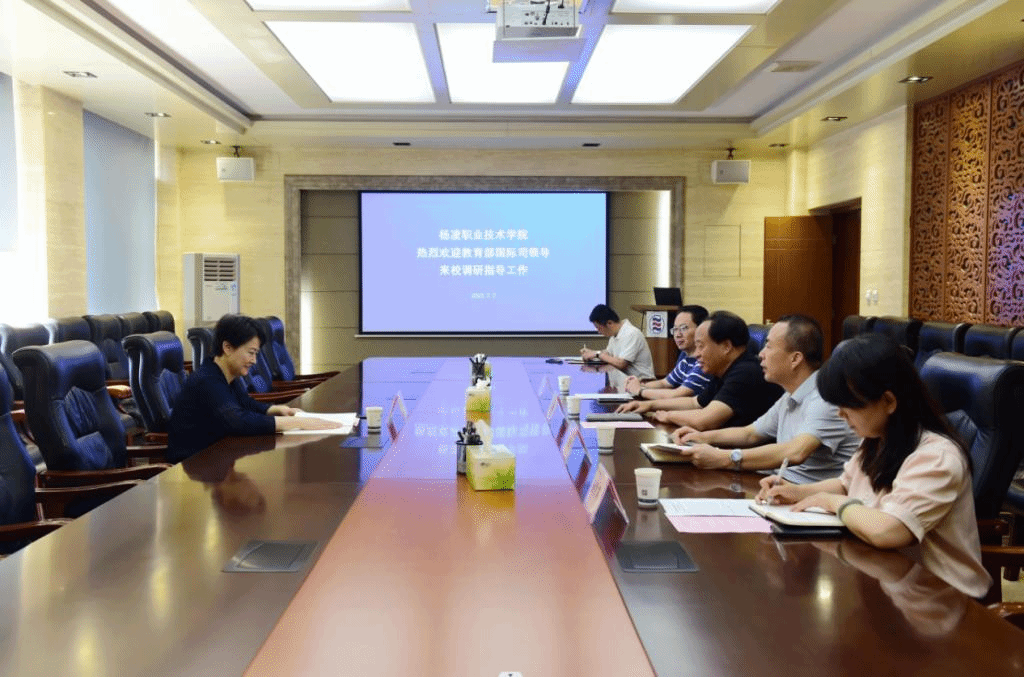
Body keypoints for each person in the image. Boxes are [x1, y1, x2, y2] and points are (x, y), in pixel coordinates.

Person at [757, 333, 990, 599]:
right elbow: (846, 484)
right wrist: (797, 492)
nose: (840, 414)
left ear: (888, 401)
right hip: (887, 582)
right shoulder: (877, 439)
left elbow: (889, 531)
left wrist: (831, 502)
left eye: (848, 405)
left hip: (940, 598)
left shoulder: (936, 456)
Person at [669, 315, 859, 482]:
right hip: (779, 485)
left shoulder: (825, 397)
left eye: (768, 346)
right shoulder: (790, 394)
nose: (761, 354)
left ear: (795, 359)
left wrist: (725, 458)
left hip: (807, 496)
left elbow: (796, 452)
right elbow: (750, 434)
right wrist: (700, 437)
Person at [168, 314, 340, 463]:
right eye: (251, 353)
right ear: (227, 348)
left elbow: (245, 403)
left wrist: (274, 409)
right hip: (194, 465)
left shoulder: (223, 373)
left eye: (256, 354)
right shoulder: (207, 380)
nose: (254, 360)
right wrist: (297, 423)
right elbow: (236, 420)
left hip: (217, 457)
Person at [619, 310, 781, 431]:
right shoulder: (724, 369)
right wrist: (649, 405)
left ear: (726, 346)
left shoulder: (746, 372)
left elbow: (704, 420)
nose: (696, 354)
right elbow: (694, 402)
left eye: (701, 346)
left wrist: (667, 415)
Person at [622, 304, 711, 400]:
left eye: (683, 328)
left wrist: (640, 390)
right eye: (675, 329)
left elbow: (677, 394)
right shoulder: (686, 358)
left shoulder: (705, 362)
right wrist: (637, 385)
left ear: (701, 329)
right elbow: (664, 383)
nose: (677, 335)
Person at [579, 304, 654, 380]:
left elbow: (622, 364)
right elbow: (608, 354)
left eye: (599, 328)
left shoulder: (631, 333)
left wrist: (597, 354)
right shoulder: (615, 335)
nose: (598, 332)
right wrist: (592, 353)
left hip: (642, 382)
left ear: (609, 323)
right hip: (626, 380)